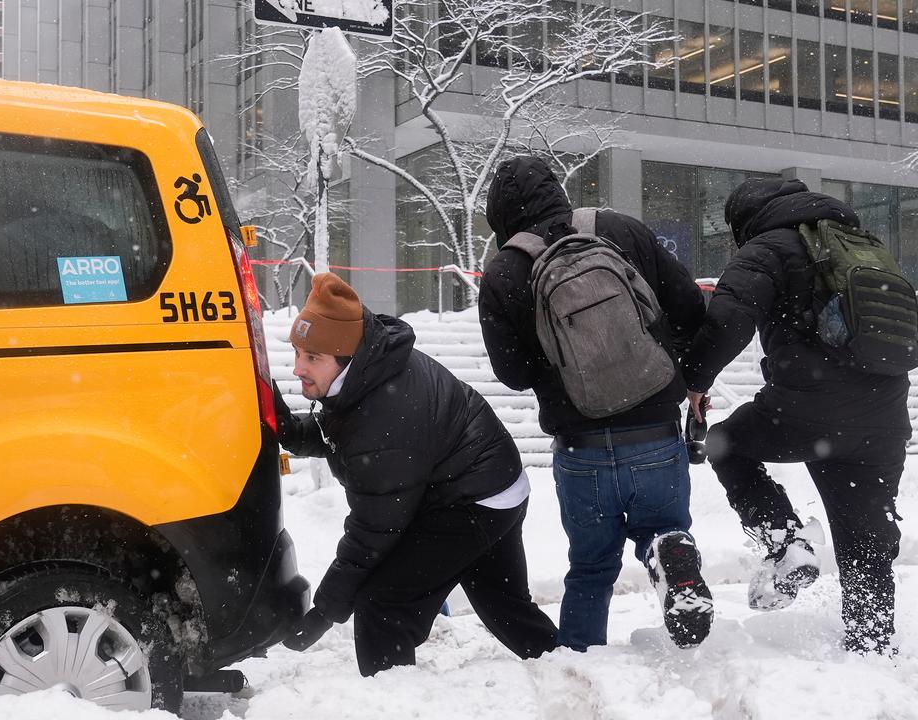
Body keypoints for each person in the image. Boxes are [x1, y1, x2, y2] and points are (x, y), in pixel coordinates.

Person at [479, 155, 712, 651]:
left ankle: (582, 668)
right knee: (663, 527)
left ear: (499, 215)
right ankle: (669, 550)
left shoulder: (503, 270)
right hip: (654, 432)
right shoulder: (621, 230)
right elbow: (691, 307)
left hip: (580, 445)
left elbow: (513, 375)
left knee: (590, 568)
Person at [276, 272, 558, 675]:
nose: (298, 368)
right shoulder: (369, 371)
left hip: (471, 498)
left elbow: (373, 532)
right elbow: (339, 434)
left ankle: (394, 699)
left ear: (345, 359)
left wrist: (325, 611)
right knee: (505, 606)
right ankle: (563, 669)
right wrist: (287, 429)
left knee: (383, 606)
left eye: (312, 358)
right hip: (494, 484)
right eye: (298, 353)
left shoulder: (383, 414)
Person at [680, 177, 910, 655]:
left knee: (725, 442)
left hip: (807, 410)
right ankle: (871, 649)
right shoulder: (864, 245)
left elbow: (727, 320)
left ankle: (786, 542)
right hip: (884, 419)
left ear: (745, 219)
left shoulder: (767, 247)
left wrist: (696, 380)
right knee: (864, 536)